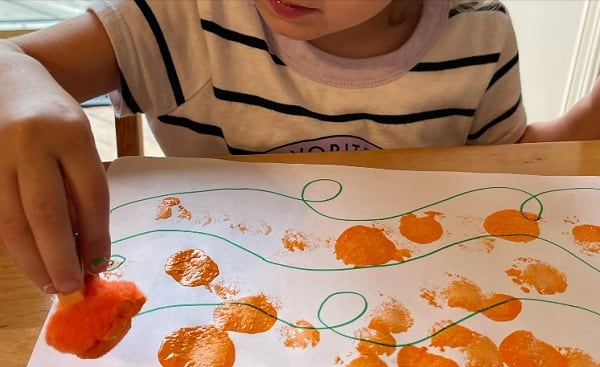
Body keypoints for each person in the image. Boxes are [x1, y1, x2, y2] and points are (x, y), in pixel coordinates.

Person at [0, 0, 597, 297]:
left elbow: (512, 166)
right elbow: (12, 60)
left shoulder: (480, 33)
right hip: (219, 301)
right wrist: (23, 92)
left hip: (404, 299)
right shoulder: (186, 16)